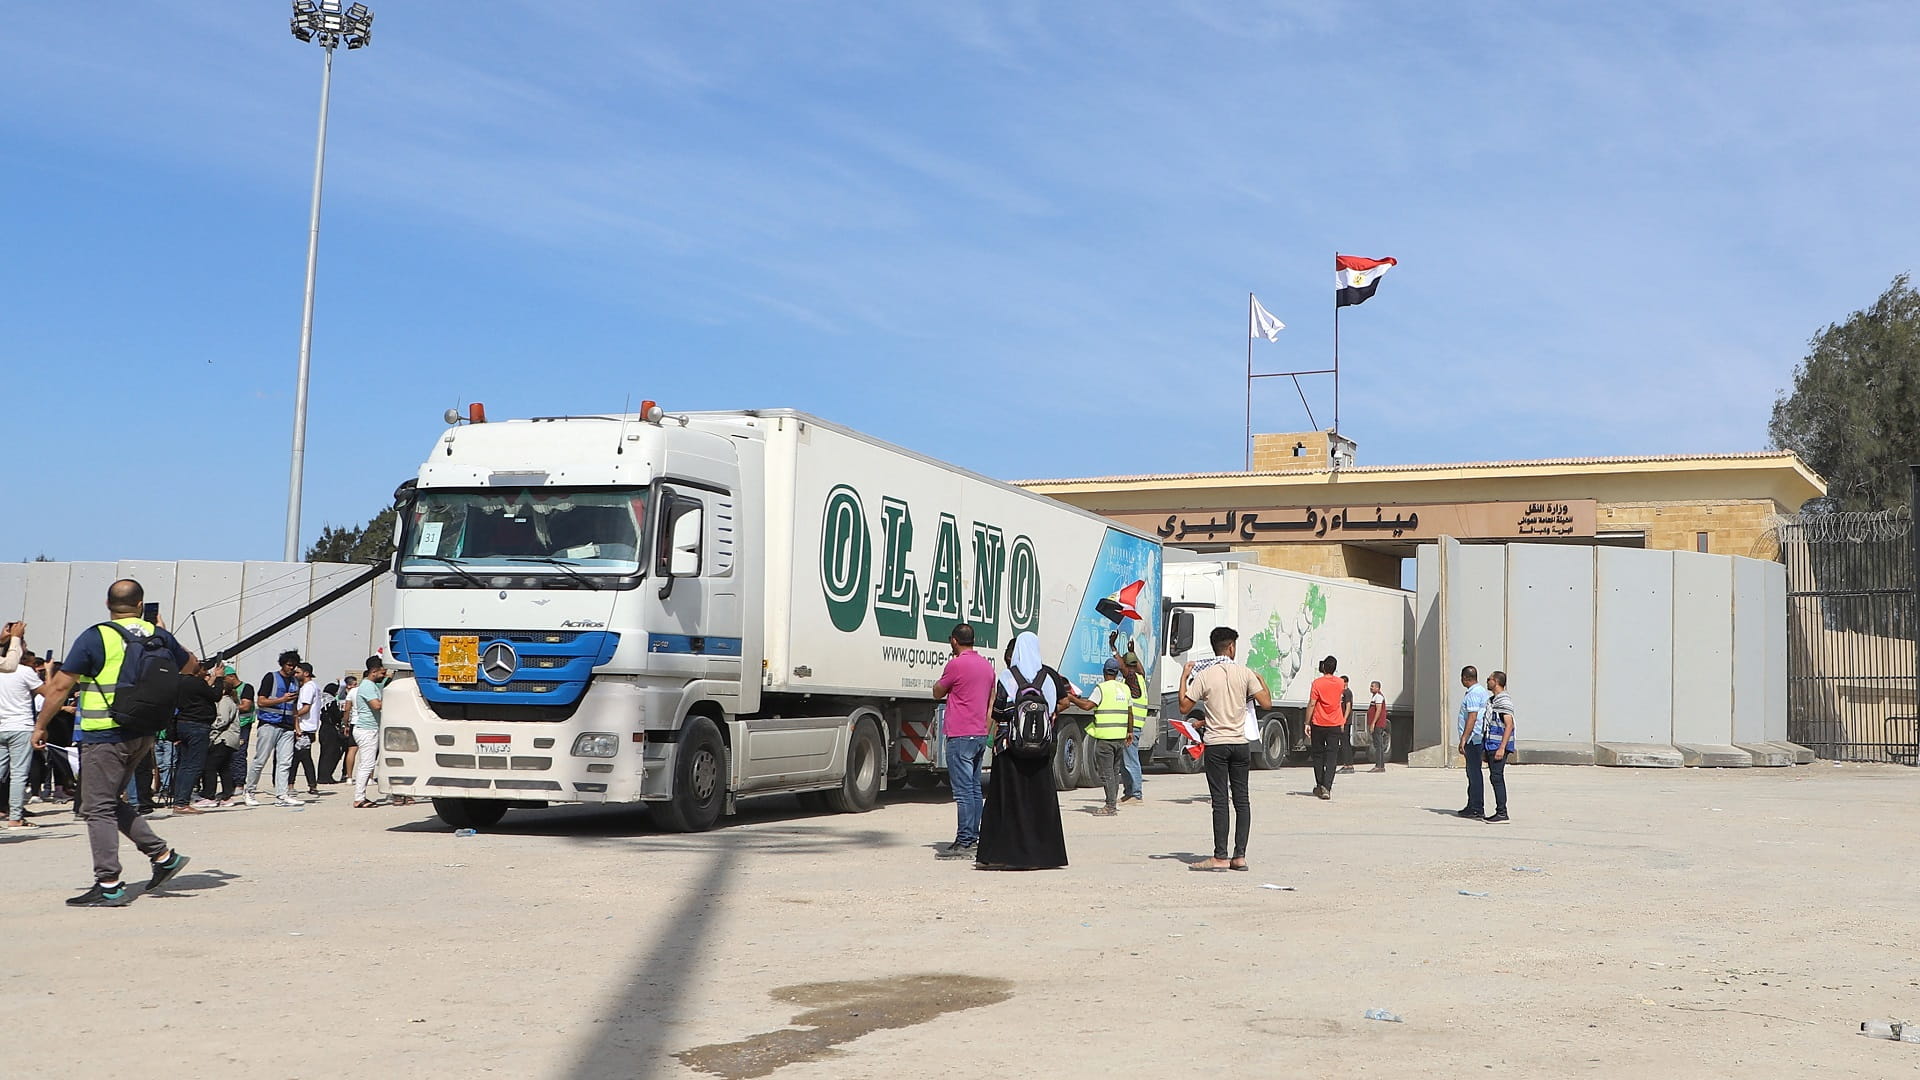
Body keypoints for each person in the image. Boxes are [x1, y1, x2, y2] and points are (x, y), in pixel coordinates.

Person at [30, 579, 194, 907]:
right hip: (143, 731)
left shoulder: (96, 636)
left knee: (98, 807)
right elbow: (191, 666)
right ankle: (163, 857)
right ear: (140, 604)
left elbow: (60, 687)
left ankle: (109, 884)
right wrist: (159, 631)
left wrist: (40, 726)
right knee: (106, 801)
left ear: (107, 604)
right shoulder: (159, 635)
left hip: (104, 733)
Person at [975, 631, 1069, 871]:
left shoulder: (1008, 677)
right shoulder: (1047, 678)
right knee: (1040, 801)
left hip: (1010, 749)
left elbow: (998, 711)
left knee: (1008, 800)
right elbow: (1054, 708)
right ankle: (1043, 855)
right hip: (1041, 750)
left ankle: (1006, 854)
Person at [1181, 626, 1270, 871]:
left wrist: (1183, 677)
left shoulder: (1205, 675)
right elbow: (1266, 703)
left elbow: (1183, 707)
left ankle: (1220, 855)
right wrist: (1260, 680)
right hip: (1240, 744)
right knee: (1242, 800)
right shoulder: (1244, 673)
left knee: (1220, 800)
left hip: (1216, 744)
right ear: (1231, 647)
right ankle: (1239, 856)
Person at [931, 623, 996, 859]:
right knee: (974, 788)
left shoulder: (956, 665)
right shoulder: (987, 667)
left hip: (960, 734)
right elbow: (991, 700)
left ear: (954, 641)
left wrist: (938, 686)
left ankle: (965, 840)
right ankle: (975, 837)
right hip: (979, 733)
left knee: (962, 792)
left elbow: (938, 692)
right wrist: (985, 729)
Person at [1069, 658, 1134, 817]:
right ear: (1117, 673)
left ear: (1104, 672)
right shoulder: (1125, 689)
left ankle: (1110, 806)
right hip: (1119, 738)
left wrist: (1072, 699)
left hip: (1105, 739)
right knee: (1114, 771)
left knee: (1106, 774)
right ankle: (1112, 802)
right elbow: (1130, 713)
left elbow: (1087, 706)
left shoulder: (1102, 689)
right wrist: (1129, 732)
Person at [245, 650, 304, 807]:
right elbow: (261, 702)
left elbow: (294, 707)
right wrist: (281, 699)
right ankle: (249, 791)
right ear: (283, 664)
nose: (291, 668)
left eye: (294, 666)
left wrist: (297, 727)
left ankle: (282, 794)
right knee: (261, 759)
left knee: (285, 762)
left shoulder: (295, 682)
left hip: (287, 726)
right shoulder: (271, 677)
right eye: (289, 665)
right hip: (269, 724)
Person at [0, 636, 42, 829]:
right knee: (18, 774)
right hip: (21, 725)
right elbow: (47, 692)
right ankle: (15, 816)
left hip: (1, 725)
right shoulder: (25, 671)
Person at [168, 668, 221, 814]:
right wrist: (220, 679)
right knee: (194, 765)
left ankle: (178, 799)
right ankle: (181, 803)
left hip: (183, 724)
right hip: (197, 725)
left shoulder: (180, 681)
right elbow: (216, 695)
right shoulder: (196, 682)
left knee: (184, 765)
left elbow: (203, 692)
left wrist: (211, 680)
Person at [349, 657, 387, 807]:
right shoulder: (367, 686)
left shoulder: (371, 685)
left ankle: (360, 796)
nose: (384, 675)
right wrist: (393, 700)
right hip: (366, 730)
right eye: (382, 673)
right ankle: (359, 798)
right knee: (367, 765)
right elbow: (376, 705)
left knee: (367, 764)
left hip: (370, 729)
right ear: (374, 671)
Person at [1307, 656, 1345, 799]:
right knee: (1332, 756)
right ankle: (1327, 787)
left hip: (1318, 723)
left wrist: (1306, 722)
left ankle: (1319, 784)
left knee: (1318, 755)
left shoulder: (1317, 683)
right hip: (1335, 723)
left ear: (1323, 667)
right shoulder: (1341, 683)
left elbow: (1312, 703)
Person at [205, 671, 245, 805]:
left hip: (223, 738)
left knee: (210, 766)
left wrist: (210, 728)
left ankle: (209, 796)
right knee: (224, 768)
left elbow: (222, 720)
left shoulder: (224, 701)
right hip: (230, 739)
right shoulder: (230, 701)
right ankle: (227, 796)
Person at [1456, 665, 1489, 820]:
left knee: (1474, 773)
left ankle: (1477, 807)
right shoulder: (1480, 691)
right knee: (1472, 773)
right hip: (1475, 738)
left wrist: (1464, 738)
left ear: (1465, 678)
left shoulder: (1473, 694)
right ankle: (1472, 805)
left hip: (1473, 739)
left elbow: (1472, 717)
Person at [1118, 641, 1149, 803]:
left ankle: (1136, 793)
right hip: (1135, 725)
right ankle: (1129, 792)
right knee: (1127, 760)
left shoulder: (1132, 679)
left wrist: (1113, 648)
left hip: (1133, 726)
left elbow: (1122, 668)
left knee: (1130, 760)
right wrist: (1133, 652)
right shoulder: (1141, 677)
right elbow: (1140, 668)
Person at [1482, 672, 1515, 823]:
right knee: (1494, 777)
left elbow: (1509, 725)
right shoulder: (1493, 700)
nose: (1487, 681)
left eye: (1489, 679)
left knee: (1497, 777)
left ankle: (1502, 812)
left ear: (1495, 681)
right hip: (1491, 744)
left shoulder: (1503, 700)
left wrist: (1502, 747)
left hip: (1498, 745)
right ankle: (1500, 811)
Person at [288, 662, 321, 796]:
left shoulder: (308, 687)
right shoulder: (314, 687)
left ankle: (299, 784)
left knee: (300, 758)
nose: (295, 675)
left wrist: (292, 716)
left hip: (304, 728)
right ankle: (307, 785)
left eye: (298, 672)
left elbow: (305, 708)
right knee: (299, 758)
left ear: (306, 673)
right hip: (308, 727)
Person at [317, 680, 348, 783]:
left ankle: (322, 776)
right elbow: (336, 716)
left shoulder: (321, 700)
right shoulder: (331, 701)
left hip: (323, 729)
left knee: (324, 754)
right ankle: (326, 777)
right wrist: (343, 712)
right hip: (330, 730)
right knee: (330, 753)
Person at [1366, 680, 1390, 772]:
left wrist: (1373, 723)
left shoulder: (1379, 697)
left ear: (1377, 688)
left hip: (1378, 724)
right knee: (1377, 744)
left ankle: (1379, 766)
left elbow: (1378, 710)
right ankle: (1380, 765)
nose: (1371, 688)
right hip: (1376, 724)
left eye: (1372, 686)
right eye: (1371, 686)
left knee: (1378, 745)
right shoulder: (1375, 696)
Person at [1337, 675, 1356, 774]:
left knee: (1345, 743)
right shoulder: (1341, 692)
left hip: (1345, 721)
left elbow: (1348, 707)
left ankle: (1348, 765)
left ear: (1346, 682)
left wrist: (1344, 720)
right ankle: (1347, 763)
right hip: (1340, 720)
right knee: (1343, 742)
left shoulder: (1347, 693)